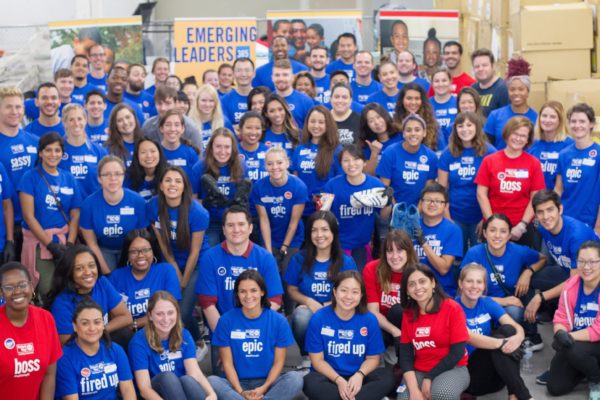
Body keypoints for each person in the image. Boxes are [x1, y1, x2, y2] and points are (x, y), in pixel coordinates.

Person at [208, 269, 303, 399]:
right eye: (243, 291)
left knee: (295, 378)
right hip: (237, 384)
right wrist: (240, 391)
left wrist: (263, 388)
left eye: (253, 290)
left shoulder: (278, 321)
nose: (248, 296)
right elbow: (227, 364)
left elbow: (278, 363)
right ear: (237, 294)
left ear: (262, 292)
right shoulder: (226, 321)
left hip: (267, 383)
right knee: (211, 381)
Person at [303, 270, 396, 400]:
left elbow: (373, 359)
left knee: (387, 377)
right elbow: (317, 360)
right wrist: (339, 380)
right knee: (310, 382)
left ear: (361, 295)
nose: (348, 296)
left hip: (358, 379)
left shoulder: (369, 320)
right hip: (330, 378)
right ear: (335, 292)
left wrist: (359, 375)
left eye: (355, 292)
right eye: (344, 290)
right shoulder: (319, 318)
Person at [460, 213, 547, 350]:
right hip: (479, 303)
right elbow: (463, 290)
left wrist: (528, 272)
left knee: (515, 312)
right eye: (492, 230)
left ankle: (528, 334)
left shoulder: (518, 251)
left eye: (503, 231)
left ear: (509, 235)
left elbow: (543, 259)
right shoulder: (474, 253)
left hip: (507, 307)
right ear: (484, 233)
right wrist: (503, 301)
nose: (497, 235)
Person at [196, 206, 284, 335]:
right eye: (230, 225)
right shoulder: (209, 258)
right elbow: (207, 303)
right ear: (224, 230)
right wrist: (225, 336)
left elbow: (275, 299)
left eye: (241, 224)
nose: (236, 230)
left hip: (257, 331)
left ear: (250, 228)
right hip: (223, 328)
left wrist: (252, 329)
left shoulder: (265, 258)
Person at [284, 211, 357, 365]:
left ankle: (335, 358)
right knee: (301, 316)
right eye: (314, 230)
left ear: (333, 232)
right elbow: (291, 290)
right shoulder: (299, 259)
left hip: (339, 309)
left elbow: (354, 292)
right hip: (309, 310)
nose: (319, 235)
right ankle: (307, 358)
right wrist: (309, 301)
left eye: (324, 229)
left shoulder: (346, 261)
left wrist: (328, 305)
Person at [147, 166, 210, 343]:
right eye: (168, 180)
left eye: (177, 181)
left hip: (196, 262)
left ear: (184, 187)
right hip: (170, 261)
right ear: (160, 186)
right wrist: (174, 269)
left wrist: (183, 281)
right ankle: (192, 337)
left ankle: (197, 341)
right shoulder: (153, 207)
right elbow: (163, 244)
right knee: (171, 306)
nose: (172, 184)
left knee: (181, 310)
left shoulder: (198, 212)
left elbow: (195, 251)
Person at [527, 190, 599, 336]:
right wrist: (529, 271)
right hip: (569, 272)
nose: (546, 216)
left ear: (560, 209)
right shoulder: (544, 228)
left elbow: (575, 280)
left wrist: (541, 296)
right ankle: (532, 333)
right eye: (540, 212)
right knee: (528, 279)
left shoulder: (576, 235)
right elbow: (548, 258)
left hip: (591, 279)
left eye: (550, 210)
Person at [457, 263, 533, 400]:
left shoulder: (486, 302)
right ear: (461, 284)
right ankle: (524, 396)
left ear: (484, 286)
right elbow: (468, 336)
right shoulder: (454, 308)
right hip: (471, 378)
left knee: (509, 330)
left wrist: (519, 336)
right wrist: (501, 343)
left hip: (499, 376)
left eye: (479, 282)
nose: (474, 286)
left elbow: (515, 326)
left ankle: (513, 394)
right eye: (469, 281)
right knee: (498, 341)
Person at [18, 132, 81, 296]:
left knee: (71, 289)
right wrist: (51, 245)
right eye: (48, 150)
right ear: (40, 153)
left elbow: (75, 214)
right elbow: (28, 217)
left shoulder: (69, 178)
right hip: (39, 244)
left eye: (57, 150)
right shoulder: (30, 177)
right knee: (48, 290)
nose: (53, 154)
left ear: (62, 153)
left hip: (64, 242)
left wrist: (70, 245)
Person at [398, 264, 470, 400]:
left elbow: (457, 352)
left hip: (453, 368)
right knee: (405, 398)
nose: (418, 287)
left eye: (422, 281)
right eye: (411, 284)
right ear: (407, 291)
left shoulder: (452, 308)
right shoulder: (408, 314)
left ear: (432, 283)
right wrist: (413, 390)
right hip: (420, 369)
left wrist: (429, 377)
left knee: (442, 394)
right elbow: (405, 356)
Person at [129, 291, 217, 400]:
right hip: (155, 394)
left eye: (170, 313)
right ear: (150, 316)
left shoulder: (184, 334)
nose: (166, 319)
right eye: (159, 314)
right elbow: (144, 389)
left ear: (177, 313)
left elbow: (195, 372)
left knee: (188, 380)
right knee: (168, 377)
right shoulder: (138, 342)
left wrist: (212, 394)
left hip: (180, 391)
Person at [476, 116, 545, 248]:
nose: (518, 139)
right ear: (507, 133)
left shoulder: (533, 163)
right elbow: (481, 194)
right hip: (493, 227)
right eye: (515, 133)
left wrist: (522, 225)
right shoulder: (489, 161)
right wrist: (493, 224)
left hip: (522, 229)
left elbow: (535, 197)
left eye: (523, 136)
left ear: (528, 140)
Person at [543, 241, 600, 398]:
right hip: (579, 344)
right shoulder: (570, 286)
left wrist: (567, 337)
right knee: (555, 387)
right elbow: (561, 316)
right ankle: (587, 369)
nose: (586, 267)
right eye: (581, 261)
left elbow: (598, 330)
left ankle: (596, 379)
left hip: (590, 342)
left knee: (572, 348)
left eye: (592, 262)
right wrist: (560, 331)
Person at [46, 245, 132, 344]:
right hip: (80, 350)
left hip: (99, 338)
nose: (88, 272)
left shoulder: (101, 282)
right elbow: (66, 342)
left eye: (91, 265)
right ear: (69, 272)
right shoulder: (62, 302)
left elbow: (126, 317)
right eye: (79, 268)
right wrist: (95, 334)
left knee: (125, 334)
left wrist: (100, 331)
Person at [0, 262, 62, 399]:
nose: (17, 291)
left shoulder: (46, 319)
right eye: (9, 287)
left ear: (31, 286)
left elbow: (49, 374)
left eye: (22, 284)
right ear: (1, 292)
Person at [438, 111, 496, 252]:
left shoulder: (490, 152)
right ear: (455, 129)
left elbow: (495, 190)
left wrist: (487, 218)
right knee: (456, 258)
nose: (465, 129)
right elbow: (441, 190)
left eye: (469, 125)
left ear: (477, 127)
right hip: (455, 215)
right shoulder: (448, 153)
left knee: (480, 258)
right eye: (460, 126)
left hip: (480, 215)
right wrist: (447, 217)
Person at [55, 299, 136, 400]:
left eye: (97, 322)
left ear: (103, 325)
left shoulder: (116, 350)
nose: (92, 328)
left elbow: (128, 390)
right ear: (75, 326)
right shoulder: (65, 358)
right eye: (85, 323)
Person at [323, 144, 388, 269]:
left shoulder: (375, 184)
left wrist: (387, 202)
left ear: (364, 162)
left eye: (356, 159)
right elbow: (323, 216)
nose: (351, 164)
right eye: (346, 160)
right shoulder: (332, 185)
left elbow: (384, 216)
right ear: (341, 164)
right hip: (338, 245)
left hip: (364, 245)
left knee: (361, 282)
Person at [80, 156, 147, 273]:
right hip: (104, 250)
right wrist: (107, 274)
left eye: (117, 174)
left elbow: (141, 239)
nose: (113, 178)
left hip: (132, 249)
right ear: (99, 178)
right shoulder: (88, 204)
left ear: (123, 176)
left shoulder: (137, 201)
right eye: (107, 174)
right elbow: (92, 244)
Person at [108, 229, 181, 331]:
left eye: (146, 250)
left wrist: (135, 324)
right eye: (134, 251)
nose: (140, 255)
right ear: (127, 254)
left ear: (153, 251)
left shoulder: (166, 270)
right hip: (126, 334)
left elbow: (171, 310)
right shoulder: (116, 277)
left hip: (160, 329)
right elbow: (113, 315)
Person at [363, 230, 416, 360]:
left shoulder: (416, 273)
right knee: (372, 326)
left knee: (398, 310)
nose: (394, 256)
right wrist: (395, 331)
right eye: (390, 251)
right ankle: (380, 364)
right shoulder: (372, 269)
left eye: (399, 251)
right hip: (382, 326)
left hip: (409, 327)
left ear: (408, 252)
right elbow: (373, 312)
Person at [191, 128, 250, 246]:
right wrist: (205, 203)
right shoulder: (199, 167)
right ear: (211, 147)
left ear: (232, 149)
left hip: (234, 222)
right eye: (218, 146)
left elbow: (245, 199)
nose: (222, 151)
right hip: (210, 222)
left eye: (227, 147)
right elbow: (192, 198)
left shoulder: (241, 166)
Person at [0, 87, 39, 259]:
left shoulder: (34, 141)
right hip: (7, 225)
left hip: (34, 223)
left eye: (18, 107)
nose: (14, 112)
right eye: (9, 107)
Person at [252, 147, 307, 268]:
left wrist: (284, 247)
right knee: (270, 271)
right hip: (270, 237)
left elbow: (294, 222)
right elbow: (263, 220)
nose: (275, 167)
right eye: (270, 164)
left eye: (279, 162)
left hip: (293, 239)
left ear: (287, 163)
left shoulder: (299, 186)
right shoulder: (259, 187)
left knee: (288, 274)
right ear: (265, 166)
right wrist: (268, 249)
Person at [555, 103, 600, 231]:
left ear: (591, 124)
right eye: (573, 121)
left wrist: (598, 226)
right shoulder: (564, 154)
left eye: (582, 121)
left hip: (589, 222)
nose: (577, 125)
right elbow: (558, 189)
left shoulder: (598, 154)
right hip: (565, 220)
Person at [291, 105, 342, 218]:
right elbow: (295, 178)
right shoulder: (300, 148)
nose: (316, 126)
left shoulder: (336, 150)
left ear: (328, 124)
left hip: (325, 209)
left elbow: (340, 181)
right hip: (302, 208)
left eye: (321, 122)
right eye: (312, 121)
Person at [377, 113, 437, 207]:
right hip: (393, 209)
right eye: (408, 130)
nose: (413, 133)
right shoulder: (390, 152)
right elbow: (385, 187)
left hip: (420, 210)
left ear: (424, 133)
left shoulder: (431, 156)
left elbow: (427, 192)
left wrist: (417, 212)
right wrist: (396, 210)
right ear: (403, 134)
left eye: (417, 130)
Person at [414, 183, 463, 296]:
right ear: (421, 203)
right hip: (415, 288)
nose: (432, 204)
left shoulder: (453, 230)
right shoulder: (411, 226)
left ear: (446, 206)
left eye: (437, 201)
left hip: (442, 290)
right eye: (428, 200)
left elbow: (443, 268)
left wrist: (423, 243)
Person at [485, 57, 538, 149]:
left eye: (521, 89)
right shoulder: (495, 116)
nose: (516, 93)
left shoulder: (537, 118)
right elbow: (487, 146)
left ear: (528, 91)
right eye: (512, 89)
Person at [59, 103, 107, 198]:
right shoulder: (57, 151)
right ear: (64, 123)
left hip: (93, 208)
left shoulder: (99, 151)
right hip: (66, 209)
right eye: (71, 120)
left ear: (85, 120)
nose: (76, 123)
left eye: (79, 119)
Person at [528, 101, 573, 190]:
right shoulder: (532, 144)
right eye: (544, 116)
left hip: (558, 199)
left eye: (552, 117)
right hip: (535, 198)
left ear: (560, 121)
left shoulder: (570, 145)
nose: (547, 120)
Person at [143, 86, 202, 150]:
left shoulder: (190, 127)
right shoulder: (148, 127)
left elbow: (198, 155)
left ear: (175, 103)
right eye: (159, 104)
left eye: (167, 103)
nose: (163, 108)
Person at [358, 103, 402, 175]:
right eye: (371, 121)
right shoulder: (367, 144)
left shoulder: (401, 136)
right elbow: (368, 174)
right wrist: (374, 153)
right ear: (367, 125)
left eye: (378, 117)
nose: (377, 123)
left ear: (385, 116)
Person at [394, 82, 439, 151]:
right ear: (402, 100)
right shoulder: (394, 125)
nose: (413, 102)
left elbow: (439, 151)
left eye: (417, 98)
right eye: (409, 98)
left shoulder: (432, 124)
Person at [272, 59, 315, 129]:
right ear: (272, 77)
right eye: (277, 75)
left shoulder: (306, 102)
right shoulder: (267, 101)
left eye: (285, 75)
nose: (281, 79)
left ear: (292, 77)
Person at [188, 84, 232, 150]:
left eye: (211, 101)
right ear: (197, 101)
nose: (207, 104)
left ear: (216, 103)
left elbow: (233, 147)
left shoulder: (224, 122)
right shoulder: (189, 123)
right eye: (204, 100)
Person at [124, 137, 168, 202]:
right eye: (143, 152)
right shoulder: (127, 177)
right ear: (137, 156)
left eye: (153, 151)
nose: (149, 156)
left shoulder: (168, 175)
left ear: (160, 153)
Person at [159, 110, 199, 178]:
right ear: (161, 128)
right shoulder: (155, 152)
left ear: (182, 128)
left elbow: (195, 182)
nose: (172, 129)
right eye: (168, 125)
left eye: (177, 125)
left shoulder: (190, 153)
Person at [471, 48, 510, 117]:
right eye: (477, 66)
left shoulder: (504, 89)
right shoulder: (472, 89)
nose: (480, 69)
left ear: (493, 66)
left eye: (484, 65)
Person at [261, 93, 300, 157]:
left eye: (280, 109)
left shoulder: (296, 135)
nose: (277, 114)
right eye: (272, 111)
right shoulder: (262, 135)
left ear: (285, 110)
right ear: (266, 114)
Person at [221, 57, 255, 127]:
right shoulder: (224, 100)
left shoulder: (262, 98)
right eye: (239, 70)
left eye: (247, 70)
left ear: (253, 73)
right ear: (233, 73)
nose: (243, 74)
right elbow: (225, 128)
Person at [237, 111, 269, 183]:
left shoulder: (268, 152)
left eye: (257, 128)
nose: (253, 132)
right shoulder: (233, 151)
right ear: (240, 129)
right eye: (249, 127)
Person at [430, 68, 457, 149]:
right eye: (437, 81)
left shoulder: (459, 102)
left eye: (444, 80)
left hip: (455, 150)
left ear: (450, 82)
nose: (440, 84)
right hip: (433, 151)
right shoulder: (426, 104)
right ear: (432, 83)